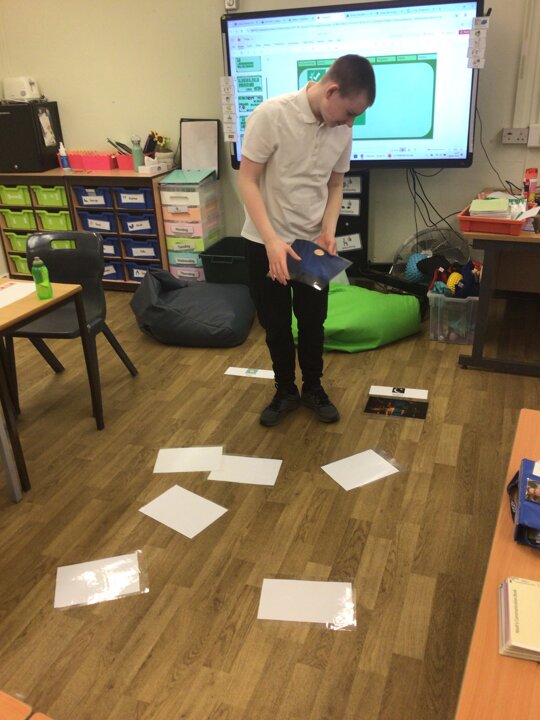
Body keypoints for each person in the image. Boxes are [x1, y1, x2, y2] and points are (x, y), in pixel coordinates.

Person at [238, 54, 376, 427]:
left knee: (314, 323)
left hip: (311, 244)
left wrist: (329, 229)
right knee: (276, 323)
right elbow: (247, 180)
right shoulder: (271, 115)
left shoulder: (341, 130)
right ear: (331, 91)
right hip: (264, 242)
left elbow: (335, 184)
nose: (350, 122)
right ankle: (285, 390)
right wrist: (271, 241)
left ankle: (313, 387)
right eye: (349, 112)